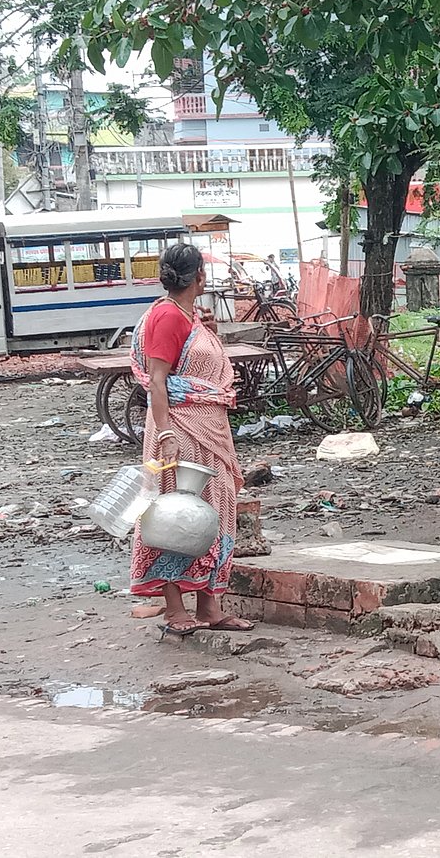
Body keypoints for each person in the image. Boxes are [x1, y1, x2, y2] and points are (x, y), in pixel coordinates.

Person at [129, 243, 251, 635]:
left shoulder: (188, 316)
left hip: (210, 429)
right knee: (177, 516)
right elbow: (159, 381)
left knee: (217, 510)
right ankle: (174, 609)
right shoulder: (167, 316)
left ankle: (210, 605)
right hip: (179, 429)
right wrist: (165, 434)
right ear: (199, 275)